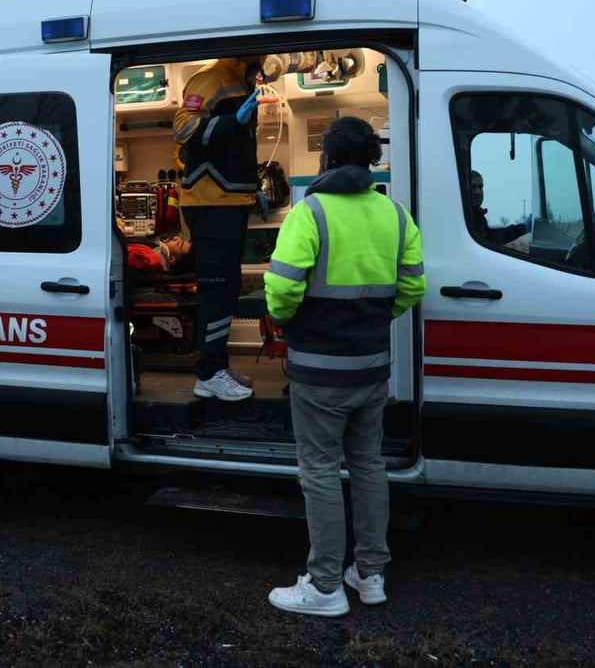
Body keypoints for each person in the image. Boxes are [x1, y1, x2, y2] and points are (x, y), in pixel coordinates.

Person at [263, 118, 426, 617]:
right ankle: (370, 574)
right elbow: (413, 286)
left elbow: (283, 289)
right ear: (371, 161)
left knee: (319, 473)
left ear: (327, 160)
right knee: (369, 466)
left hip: (318, 372)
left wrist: (287, 319)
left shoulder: (310, 213)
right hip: (371, 368)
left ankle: (325, 585)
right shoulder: (395, 215)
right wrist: (373, 319)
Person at [173, 57, 263, 402]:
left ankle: (216, 365)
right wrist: (229, 122)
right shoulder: (211, 80)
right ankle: (209, 373)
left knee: (227, 290)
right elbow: (182, 128)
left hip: (229, 200)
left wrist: (251, 189)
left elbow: (236, 151)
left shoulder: (243, 79)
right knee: (216, 291)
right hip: (209, 201)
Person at [469, 170, 527, 246]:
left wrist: (522, 228)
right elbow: (489, 241)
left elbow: (491, 236)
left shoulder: (476, 216)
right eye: (473, 187)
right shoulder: (465, 218)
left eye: (480, 187)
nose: (478, 192)